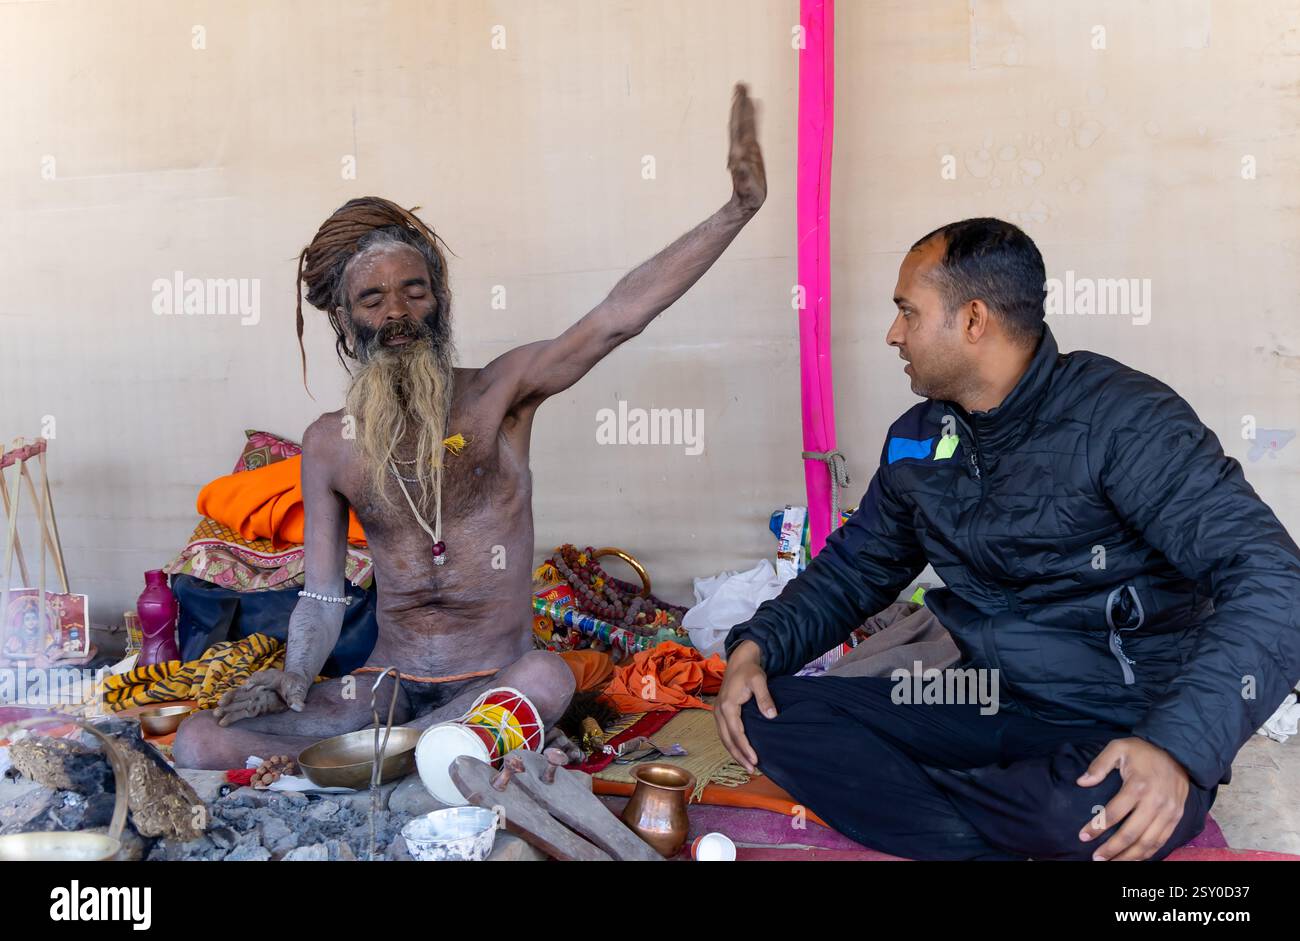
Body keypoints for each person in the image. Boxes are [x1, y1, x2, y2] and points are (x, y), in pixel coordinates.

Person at [174, 83, 766, 769]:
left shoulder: (500, 396)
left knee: (547, 676)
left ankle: (379, 763)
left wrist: (736, 211)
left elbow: (616, 317)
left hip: (494, 684)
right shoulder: (329, 444)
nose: (398, 312)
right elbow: (321, 595)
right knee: (197, 739)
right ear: (345, 320)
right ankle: (419, 759)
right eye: (373, 298)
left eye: (415, 291)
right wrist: (295, 676)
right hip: (385, 689)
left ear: (441, 300)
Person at [715, 218, 1300, 861]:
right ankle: (995, 820)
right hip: (989, 699)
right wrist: (760, 644)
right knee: (764, 710)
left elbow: (1273, 577)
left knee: (1069, 812)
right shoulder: (919, 437)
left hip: (1128, 720)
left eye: (907, 312)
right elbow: (857, 569)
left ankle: (964, 814)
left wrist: (1178, 747)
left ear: (973, 320)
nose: (893, 333)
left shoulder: (1126, 421)